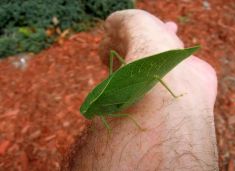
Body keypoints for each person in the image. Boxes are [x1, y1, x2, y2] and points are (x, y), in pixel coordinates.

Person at [62, 9, 218, 171]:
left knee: (155, 78)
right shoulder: (97, 108)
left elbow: (124, 112)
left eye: (89, 112)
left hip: (128, 88)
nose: (89, 116)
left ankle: (174, 90)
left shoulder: (99, 108)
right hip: (121, 86)